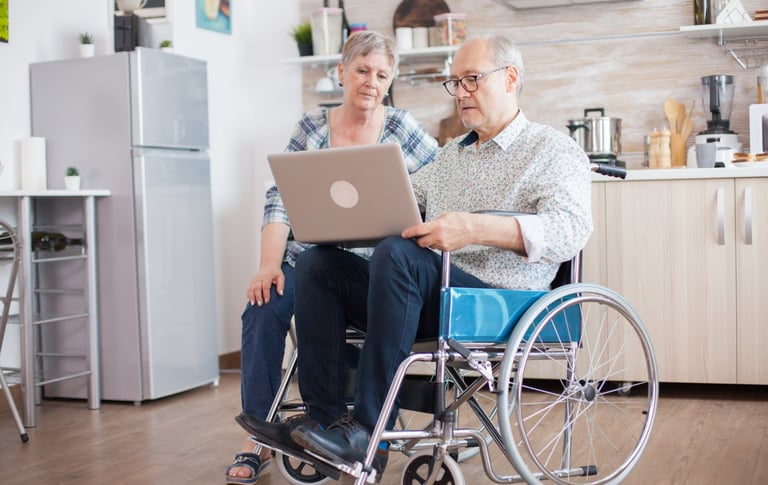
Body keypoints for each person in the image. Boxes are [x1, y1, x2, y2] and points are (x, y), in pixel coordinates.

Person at [235, 33, 593, 481]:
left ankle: (368, 430)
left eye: (472, 80)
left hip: (499, 301)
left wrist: (472, 228)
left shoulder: (551, 149)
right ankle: (326, 423)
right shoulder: (449, 158)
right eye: (455, 83)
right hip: (434, 295)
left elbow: (571, 230)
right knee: (318, 265)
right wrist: (329, 202)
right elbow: (387, 201)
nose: (461, 93)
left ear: (511, 78)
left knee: (399, 254)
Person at [225, 30, 438, 484]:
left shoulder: (402, 128)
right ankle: (256, 442)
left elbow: (440, 188)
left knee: (325, 279)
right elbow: (279, 198)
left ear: (391, 79)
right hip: (309, 258)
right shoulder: (311, 128)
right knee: (264, 303)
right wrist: (268, 265)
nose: (371, 82)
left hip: (371, 268)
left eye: (382, 75)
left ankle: (341, 429)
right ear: (341, 72)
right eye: (362, 71)